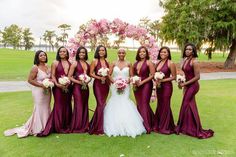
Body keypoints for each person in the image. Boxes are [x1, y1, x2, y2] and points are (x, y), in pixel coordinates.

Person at [4, 50, 51, 138]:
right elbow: (30, 80)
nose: (43, 57)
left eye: (44, 55)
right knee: (39, 107)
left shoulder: (47, 66)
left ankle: (47, 126)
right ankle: (38, 128)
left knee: (46, 107)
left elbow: (50, 77)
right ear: (37, 57)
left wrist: (50, 82)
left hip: (48, 91)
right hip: (39, 91)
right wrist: (42, 85)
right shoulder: (35, 67)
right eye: (41, 55)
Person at [104, 48, 146, 138]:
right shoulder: (113, 63)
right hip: (114, 86)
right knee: (115, 101)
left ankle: (128, 124)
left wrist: (125, 82)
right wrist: (115, 83)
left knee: (125, 101)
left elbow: (131, 76)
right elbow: (108, 74)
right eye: (119, 52)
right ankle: (114, 124)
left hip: (126, 86)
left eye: (123, 52)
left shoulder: (129, 63)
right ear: (117, 53)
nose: (121, 54)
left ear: (125, 54)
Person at [175, 43, 214, 139]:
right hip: (187, 85)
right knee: (190, 105)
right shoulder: (185, 60)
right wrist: (181, 81)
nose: (187, 51)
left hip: (193, 86)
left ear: (193, 51)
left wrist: (185, 84)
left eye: (190, 49)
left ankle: (188, 128)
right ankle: (187, 127)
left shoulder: (194, 61)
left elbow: (197, 77)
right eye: (186, 49)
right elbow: (186, 73)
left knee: (185, 104)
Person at [37, 46, 72, 137]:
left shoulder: (70, 62)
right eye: (60, 52)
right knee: (59, 105)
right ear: (58, 53)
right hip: (58, 88)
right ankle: (58, 126)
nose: (62, 53)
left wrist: (68, 83)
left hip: (68, 88)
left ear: (67, 53)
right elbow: (52, 75)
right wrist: (57, 84)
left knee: (67, 104)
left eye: (64, 51)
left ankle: (67, 124)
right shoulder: (55, 63)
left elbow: (71, 75)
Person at [153, 46, 176, 134]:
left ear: (168, 53)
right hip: (159, 87)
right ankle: (159, 124)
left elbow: (174, 77)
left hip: (167, 87)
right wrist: (156, 80)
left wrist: (162, 80)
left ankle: (165, 126)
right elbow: (154, 74)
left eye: (165, 52)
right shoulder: (158, 63)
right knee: (160, 104)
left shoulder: (171, 63)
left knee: (166, 104)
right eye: (161, 52)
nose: (163, 53)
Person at [132, 46, 155, 134]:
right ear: (138, 53)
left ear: (146, 53)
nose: (142, 53)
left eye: (144, 52)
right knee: (139, 104)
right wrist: (134, 82)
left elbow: (152, 75)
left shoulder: (149, 63)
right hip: (137, 86)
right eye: (140, 52)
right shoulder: (135, 63)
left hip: (146, 85)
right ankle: (146, 122)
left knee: (144, 104)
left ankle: (147, 126)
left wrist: (142, 82)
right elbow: (133, 74)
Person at [68, 46, 90, 133]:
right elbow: (69, 77)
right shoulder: (75, 63)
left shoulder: (87, 64)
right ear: (78, 54)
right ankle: (77, 126)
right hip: (77, 88)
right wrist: (79, 82)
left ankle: (85, 125)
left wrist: (88, 80)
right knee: (79, 105)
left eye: (83, 52)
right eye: (80, 52)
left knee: (85, 105)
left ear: (85, 54)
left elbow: (90, 76)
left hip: (85, 88)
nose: (82, 54)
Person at [89, 45, 110, 135]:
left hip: (106, 85)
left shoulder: (107, 61)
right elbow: (90, 73)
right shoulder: (95, 61)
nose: (102, 52)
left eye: (103, 50)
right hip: (97, 85)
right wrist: (99, 77)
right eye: (100, 50)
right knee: (100, 104)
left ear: (105, 52)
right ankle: (98, 129)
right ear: (97, 51)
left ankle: (95, 124)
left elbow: (109, 73)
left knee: (103, 104)